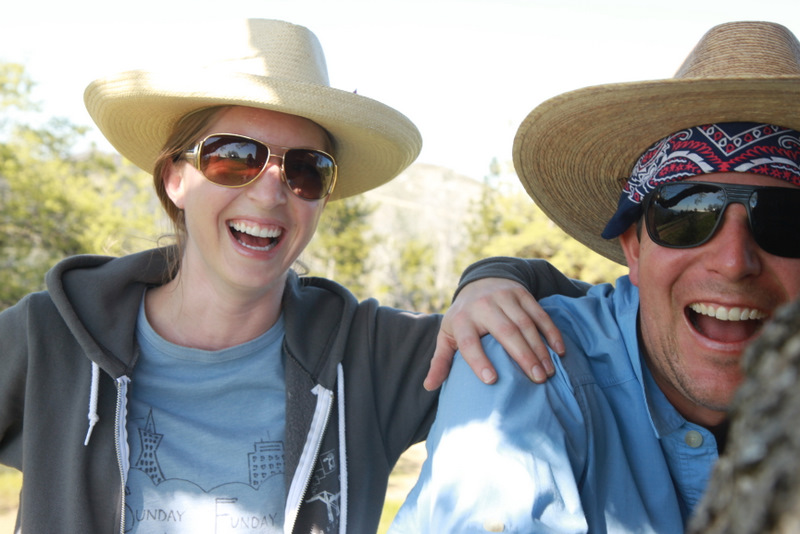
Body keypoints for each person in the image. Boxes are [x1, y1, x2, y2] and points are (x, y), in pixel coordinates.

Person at [0, 19, 568, 534]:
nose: (271, 191)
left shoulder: (371, 357)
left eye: (306, 169)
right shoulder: (50, 337)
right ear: (175, 177)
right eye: (234, 157)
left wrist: (493, 279)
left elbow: (606, 320)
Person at [390, 20, 800, 533]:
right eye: (688, 213)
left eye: (786, 221)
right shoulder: (522, 360)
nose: (735, 262)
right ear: (633, 248)